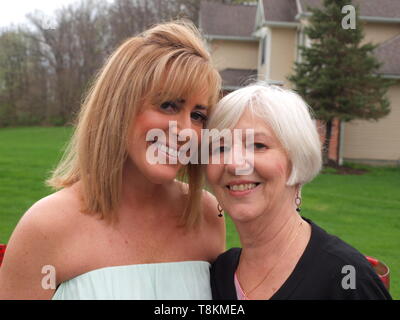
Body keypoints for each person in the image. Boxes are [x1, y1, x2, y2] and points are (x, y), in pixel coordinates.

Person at [0, 20, 225, 300]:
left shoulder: (206, 215)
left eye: (198, 116)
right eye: (168, 105)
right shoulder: (45, 227)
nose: (185, 132)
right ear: (119, 107)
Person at [206, 83, 392, 300]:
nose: (233, 164)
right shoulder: (219, 274)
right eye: (220, 148)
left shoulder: (347, 277)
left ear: (297, 159)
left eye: (257, 145)